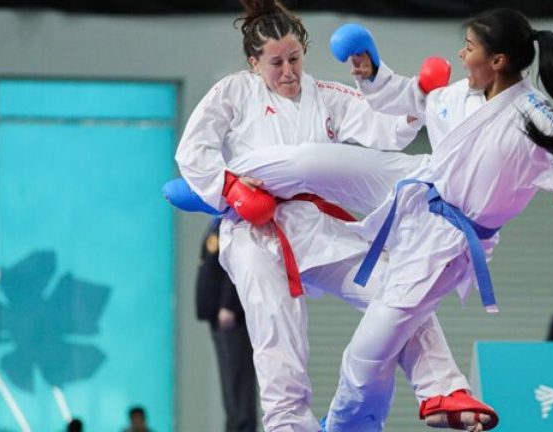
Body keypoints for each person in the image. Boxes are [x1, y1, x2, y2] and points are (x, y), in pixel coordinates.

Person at [175, 1, 490, 430]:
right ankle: (290, 425)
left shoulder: (325, 95)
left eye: (294, 59)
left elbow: (386, 131)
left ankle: (442, 389)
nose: (287, 71)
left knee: (398, 288)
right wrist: (227, 187)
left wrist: (415, 97)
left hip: (316, 222)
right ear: (253, 63)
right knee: (278, 338)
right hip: (254, 230)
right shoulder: (234, 91)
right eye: (275, 63)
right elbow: (193, 149)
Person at [324, 8, 553, 431]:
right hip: (416, 202)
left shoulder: (537, 118)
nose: (461, 54)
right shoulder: (464, 94)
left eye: (470, 47)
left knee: (366, 352)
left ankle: (342, 425)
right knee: (322, 167)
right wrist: (372, 71)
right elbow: (414, 99)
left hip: (449, 247)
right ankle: (444, 392)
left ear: (497, 61)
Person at [196, 219, 257, 431]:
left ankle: (242, 427)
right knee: (230, 384)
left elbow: (239, 263)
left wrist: (230, 304)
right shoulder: (217, 220)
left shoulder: (237, 219)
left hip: (232, 316)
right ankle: (235, 426)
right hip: (217, 315)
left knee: (238, 382)